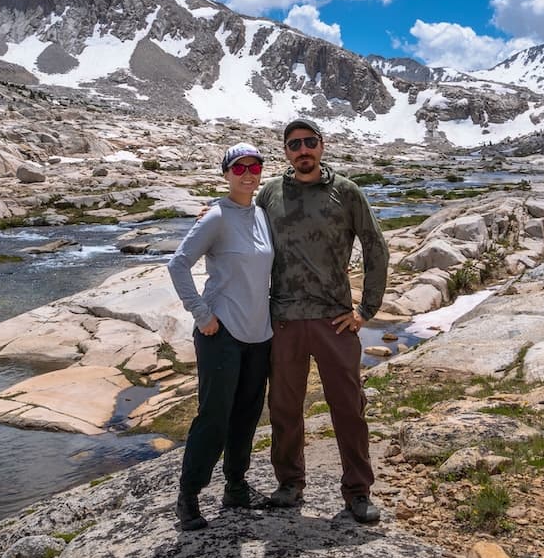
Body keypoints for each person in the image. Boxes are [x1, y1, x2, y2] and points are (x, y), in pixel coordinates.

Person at [256, 118, 389, 524]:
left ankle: (357, 491)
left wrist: (365, 310)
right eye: (294, 144)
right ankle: (290, 483)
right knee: (283, 407)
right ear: (285, 151)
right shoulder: (270, 194)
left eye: (309, 142)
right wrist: (213, 215)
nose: (303, 150)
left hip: (335, 320)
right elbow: (245, 239)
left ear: (322, 146)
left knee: (348, 406)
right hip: (284, 321)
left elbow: (375, 247)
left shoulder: (345, 192)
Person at [166, 143, 275, 531]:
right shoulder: (215, 216)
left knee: (247, 413)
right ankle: (189, 496)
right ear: (226, 173)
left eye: (255, 166)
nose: (248, 173)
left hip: (259, 333)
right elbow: (178, 264)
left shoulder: (261, 213)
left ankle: (236, 486)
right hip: (222, 331)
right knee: (214, 416)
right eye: (239, 167)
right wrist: (202, 314)